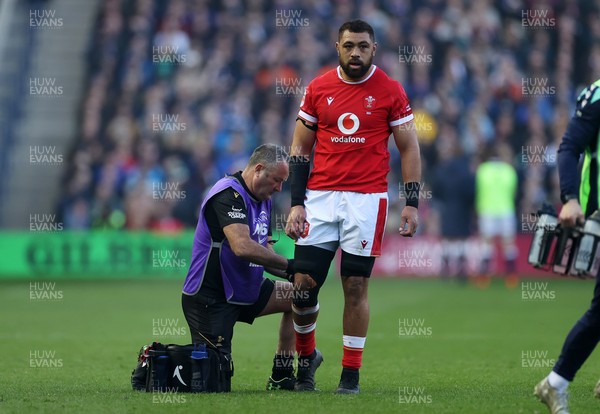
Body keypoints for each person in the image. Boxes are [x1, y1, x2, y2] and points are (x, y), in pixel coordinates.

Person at [285, 19, 421, 394]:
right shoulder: (318, 88)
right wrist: (297, 204)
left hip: (367, 199)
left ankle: (350, 375)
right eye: (349, 46)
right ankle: (306, 358)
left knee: (356, 285)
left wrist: (411, 204)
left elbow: (409, 147)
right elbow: (299, 149)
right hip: (321, 199)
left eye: (363, 46)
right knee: (302, 285)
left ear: (373, 49)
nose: (356, 53)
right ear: (337, 46)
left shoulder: (391, 91)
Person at [181, 144, 298, 391]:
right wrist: (291, 265)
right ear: (258, 170)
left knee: (300, 297)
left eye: (283, 182)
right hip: (211, 297)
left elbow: (265, 253)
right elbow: (242, 247)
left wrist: (295, 274)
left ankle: (282, 375)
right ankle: (156, 363)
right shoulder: (227, 194)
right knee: (214, 384)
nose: (279, 188)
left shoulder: (263, 198)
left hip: (247, 288)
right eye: (277, 180)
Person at [534, 79, 600, 414]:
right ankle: (555, 383)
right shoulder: (598, 94)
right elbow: (569, 147)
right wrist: (570, 199)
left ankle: (556, 383)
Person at [474, 141, 519, 287]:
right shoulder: (509, 170)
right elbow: (513, 192)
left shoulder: (482, 170)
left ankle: (484, 278)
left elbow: (478, 191)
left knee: (487, 243)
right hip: (506, 210)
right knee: (508, 244)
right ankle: (511, 277)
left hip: (487, 210)